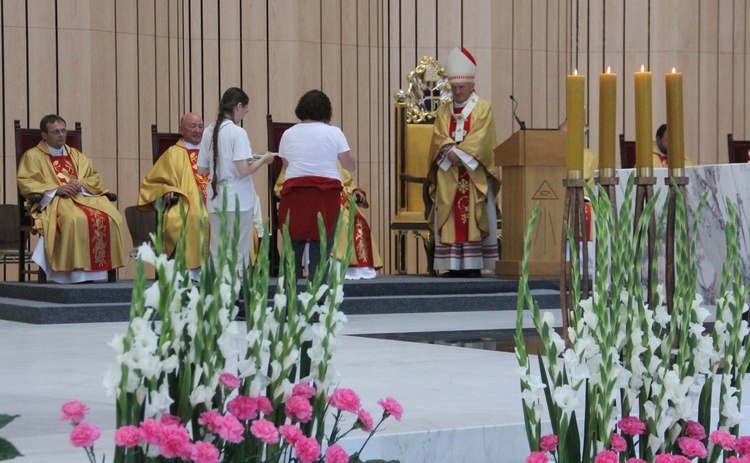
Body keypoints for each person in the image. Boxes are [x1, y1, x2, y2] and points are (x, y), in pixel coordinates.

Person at [17, 114, 125, 283]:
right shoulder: (32, 156)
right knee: (73, 219)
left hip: (82, 198)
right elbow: (26, 182)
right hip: (54, 201)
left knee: (110, 217)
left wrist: (80, 184)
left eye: (63, 130)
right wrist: (56, 190)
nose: (61, 135)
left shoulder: (76, 155)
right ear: (44, 135)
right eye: (56, 132)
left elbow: (93, 177)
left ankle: (95, 272)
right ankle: (71, 273)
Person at [428, 47, 501, 278]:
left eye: (462, 88)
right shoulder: (443, 110)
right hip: (449, 174)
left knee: (472, 214)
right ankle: (452, 265)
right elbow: (439, 136)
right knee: (450, 217)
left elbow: (482, 138)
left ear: (472, 85)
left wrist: (458, 154)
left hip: (474, 174)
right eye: (454, 88)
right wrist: (448, 151)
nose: (458, 92)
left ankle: (473, 265)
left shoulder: (483, 108)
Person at [277, 89, 357, 279]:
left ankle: (289, 303)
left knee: (293, 248)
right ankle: (317, 303)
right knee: (321, 247)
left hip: (295, 196)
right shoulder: (334, 132)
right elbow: (349, 165)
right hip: (324, 196)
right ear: (326, 111)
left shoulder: (288, 134)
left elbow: (286, 166)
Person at [196, 87, 275, 274]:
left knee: (217, 253)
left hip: (216, 200)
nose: (244, 114)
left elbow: (202, 169)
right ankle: (233, 298)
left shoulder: (209, 131)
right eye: (245, 110)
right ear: (238, 106)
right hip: (237, 201)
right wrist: (263, 160)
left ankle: (217, 297)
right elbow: (243, 171)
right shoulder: (237, 133)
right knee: (237, 255)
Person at [274, 165, 382, 279]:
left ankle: (352, 269)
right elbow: (280, 188)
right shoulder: (294, 158)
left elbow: (346, 182)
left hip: (334, 198)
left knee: (355, 220)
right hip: (308, 201)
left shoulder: (332, 156)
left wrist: (354, 191)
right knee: (334, 219)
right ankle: (328, 267)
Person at [137, 113, 209, 277]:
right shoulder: (172, 153)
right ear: (181, 129)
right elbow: (152, 183)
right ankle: (191, 274)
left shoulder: (211, 152)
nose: (198, 131)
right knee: (196, 217)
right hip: (184, 203)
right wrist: (166, 191)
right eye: (192, 126)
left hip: (214, 200)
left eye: (200, 126)